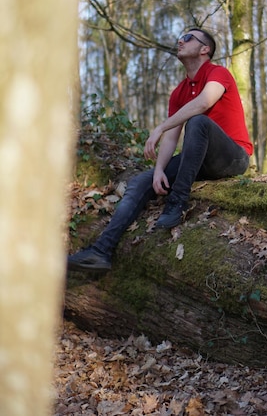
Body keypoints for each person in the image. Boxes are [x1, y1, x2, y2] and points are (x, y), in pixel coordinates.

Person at [68, 27, 253, 272]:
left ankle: (176, 203)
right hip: (198, 161)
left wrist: (160, 127)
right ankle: (101, 251)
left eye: (188, 38)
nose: (180, 41)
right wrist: (158, 171)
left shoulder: (218, 73)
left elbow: (205, 102)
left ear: (204, 49)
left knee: (198, 122)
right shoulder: (179, 91)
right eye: (180, 37)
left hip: (232, 157)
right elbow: (171, 138)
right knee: (139, 183)